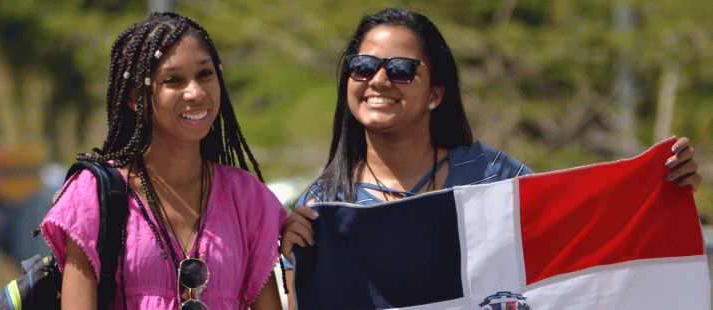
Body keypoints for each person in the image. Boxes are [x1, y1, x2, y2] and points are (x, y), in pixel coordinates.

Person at [279, 7, 702, 308]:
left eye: (403, 70)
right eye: (364, 66)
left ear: (436, 94)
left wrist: (661, 188)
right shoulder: (324, 205)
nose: (379, 80)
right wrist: (295, 260)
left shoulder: (496, 178)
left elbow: (579, 245)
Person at [41, 12, 286, 310]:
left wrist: (303, 256)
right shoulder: (93, 196)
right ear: (134, 98)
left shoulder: (247, 198)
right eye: (173, 80)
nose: (195, 91)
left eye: (205, 74)